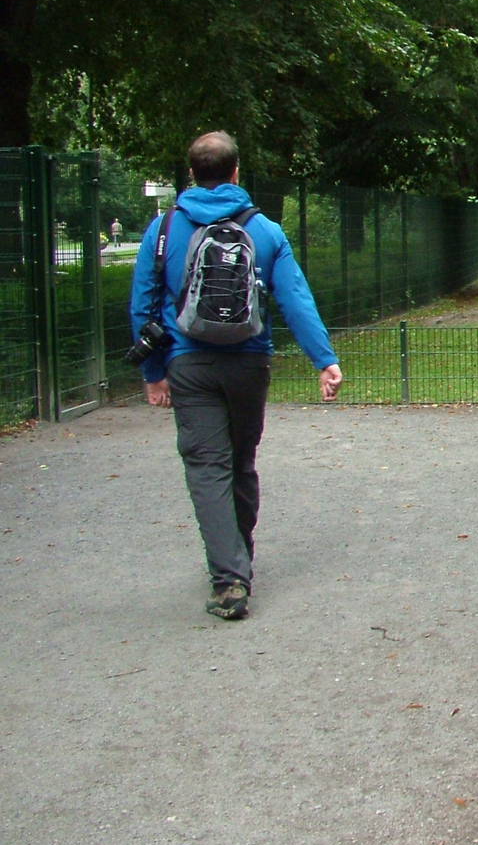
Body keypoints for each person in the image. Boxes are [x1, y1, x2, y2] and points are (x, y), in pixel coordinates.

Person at [129, 131, 343, 620]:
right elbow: (295, 298)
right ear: (235, 171)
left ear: (191, 174)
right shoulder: (264, 230)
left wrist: (153, 372)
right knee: (241, 461)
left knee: (208, 466)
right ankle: (237, 557)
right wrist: (323, 359)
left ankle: (229, 579)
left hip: (188, 362)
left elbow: (143, 303)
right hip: (249, 362)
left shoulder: (163, 229)